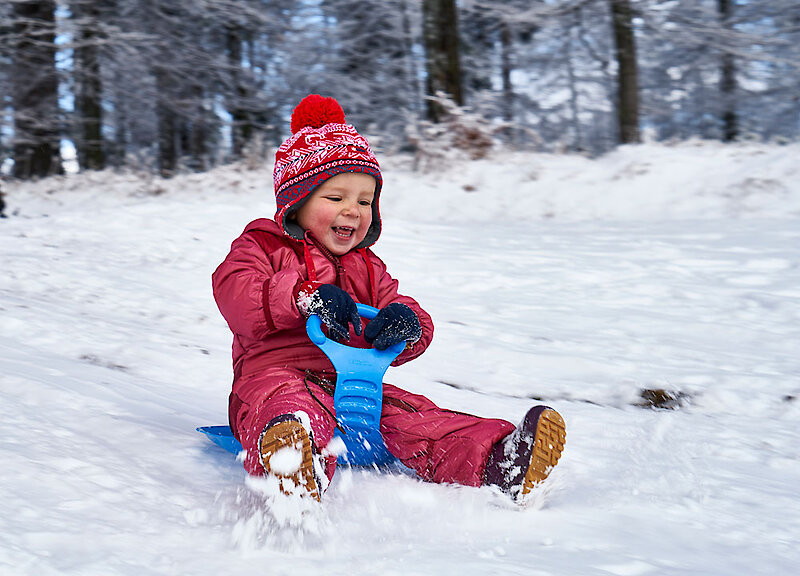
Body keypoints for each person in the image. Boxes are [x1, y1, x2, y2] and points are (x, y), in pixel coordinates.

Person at [212, 94, 565, 502]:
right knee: (288, 406)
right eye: (336, 198)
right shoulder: (263, 246)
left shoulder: (368, 267)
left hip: (357, 386)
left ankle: (499, 460)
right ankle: (291, 459)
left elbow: (401, 304)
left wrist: (406, 325)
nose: (354, 211)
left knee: (418, 418)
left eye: (365, 201)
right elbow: (236, 292)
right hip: (274, 378)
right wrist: (304, 297)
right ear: (298, 200)